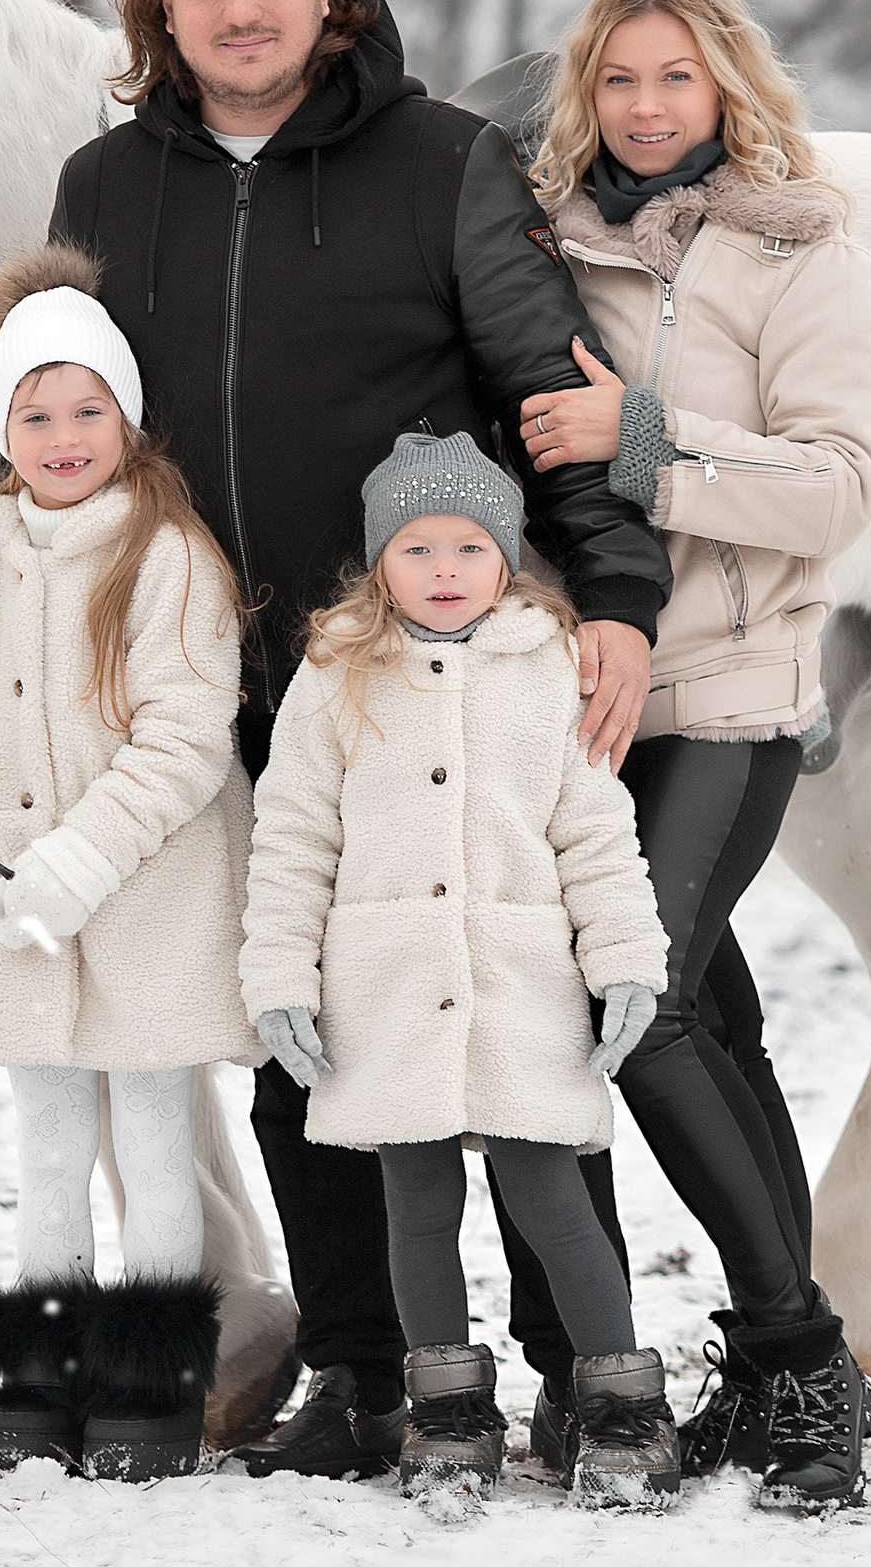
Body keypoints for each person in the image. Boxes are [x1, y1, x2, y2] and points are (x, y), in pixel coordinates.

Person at [47, 0, 671, 1480]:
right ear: (161, 10)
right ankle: (368, 1374)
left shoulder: (445, 166)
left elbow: (553, 388)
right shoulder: (105, 190)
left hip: (429, 671)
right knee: (303, 1020)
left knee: (517, 1012)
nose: (241, 10)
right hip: (219, 677)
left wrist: (612, 589)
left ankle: (577, 1367)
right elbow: (64, 430)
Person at [520, 0, 871, 1512]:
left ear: (730, 85)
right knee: (707, 1031)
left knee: (643, 1007)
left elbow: (837, 489)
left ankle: (802, 1359)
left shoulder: (801, 257)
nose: (650, 107)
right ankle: (694, 1377)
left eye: (678, 76)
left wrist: (649, 444)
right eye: (620, 79)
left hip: (733, 698)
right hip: (591, 705)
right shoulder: (554, 250)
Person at [0, 248, 255, 1480]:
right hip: (26, 903)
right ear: (0, 424)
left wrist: (79, 864)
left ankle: (156, 1377)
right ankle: (46, 1363)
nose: (63, 438)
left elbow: (185, 743)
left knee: (150, 1129)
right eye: (35, 412)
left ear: (123, 419)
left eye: (87, 412)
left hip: (146, 893)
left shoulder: (169, 553)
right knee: (49, 1141)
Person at [240, 431, 678, 1510]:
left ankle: (618, 1402)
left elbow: (595, 835)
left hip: (519, 986)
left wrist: (625, 961)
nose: (444, 571)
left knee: (551, 1193)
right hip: (387, 990)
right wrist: (280, 976)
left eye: (470, 548)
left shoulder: (547, 670)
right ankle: (445, 1409)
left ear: (507, 558)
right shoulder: (337, 671)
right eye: (417, 549)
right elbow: (292, 836)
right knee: (416, 1202)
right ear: (379, 562)